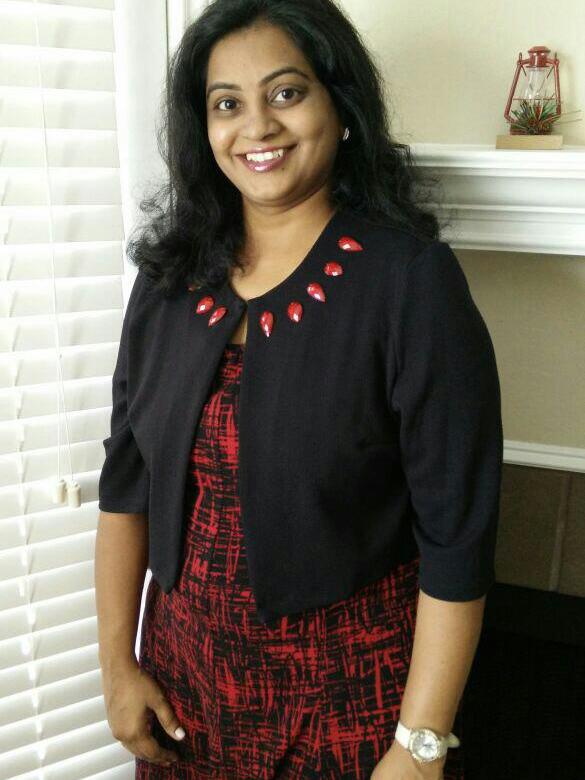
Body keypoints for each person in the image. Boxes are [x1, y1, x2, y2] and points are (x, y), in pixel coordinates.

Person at [95, 1, 503, 778]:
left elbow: (456, 535)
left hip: (349, 704)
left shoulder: (409, 282)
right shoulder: (170, 277)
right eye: (226, 104)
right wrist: (118, 666)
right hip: (183, 693)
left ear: (340, 106)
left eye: (286, 92)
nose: (257, 126)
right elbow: (126, 485)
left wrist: (418, 746)